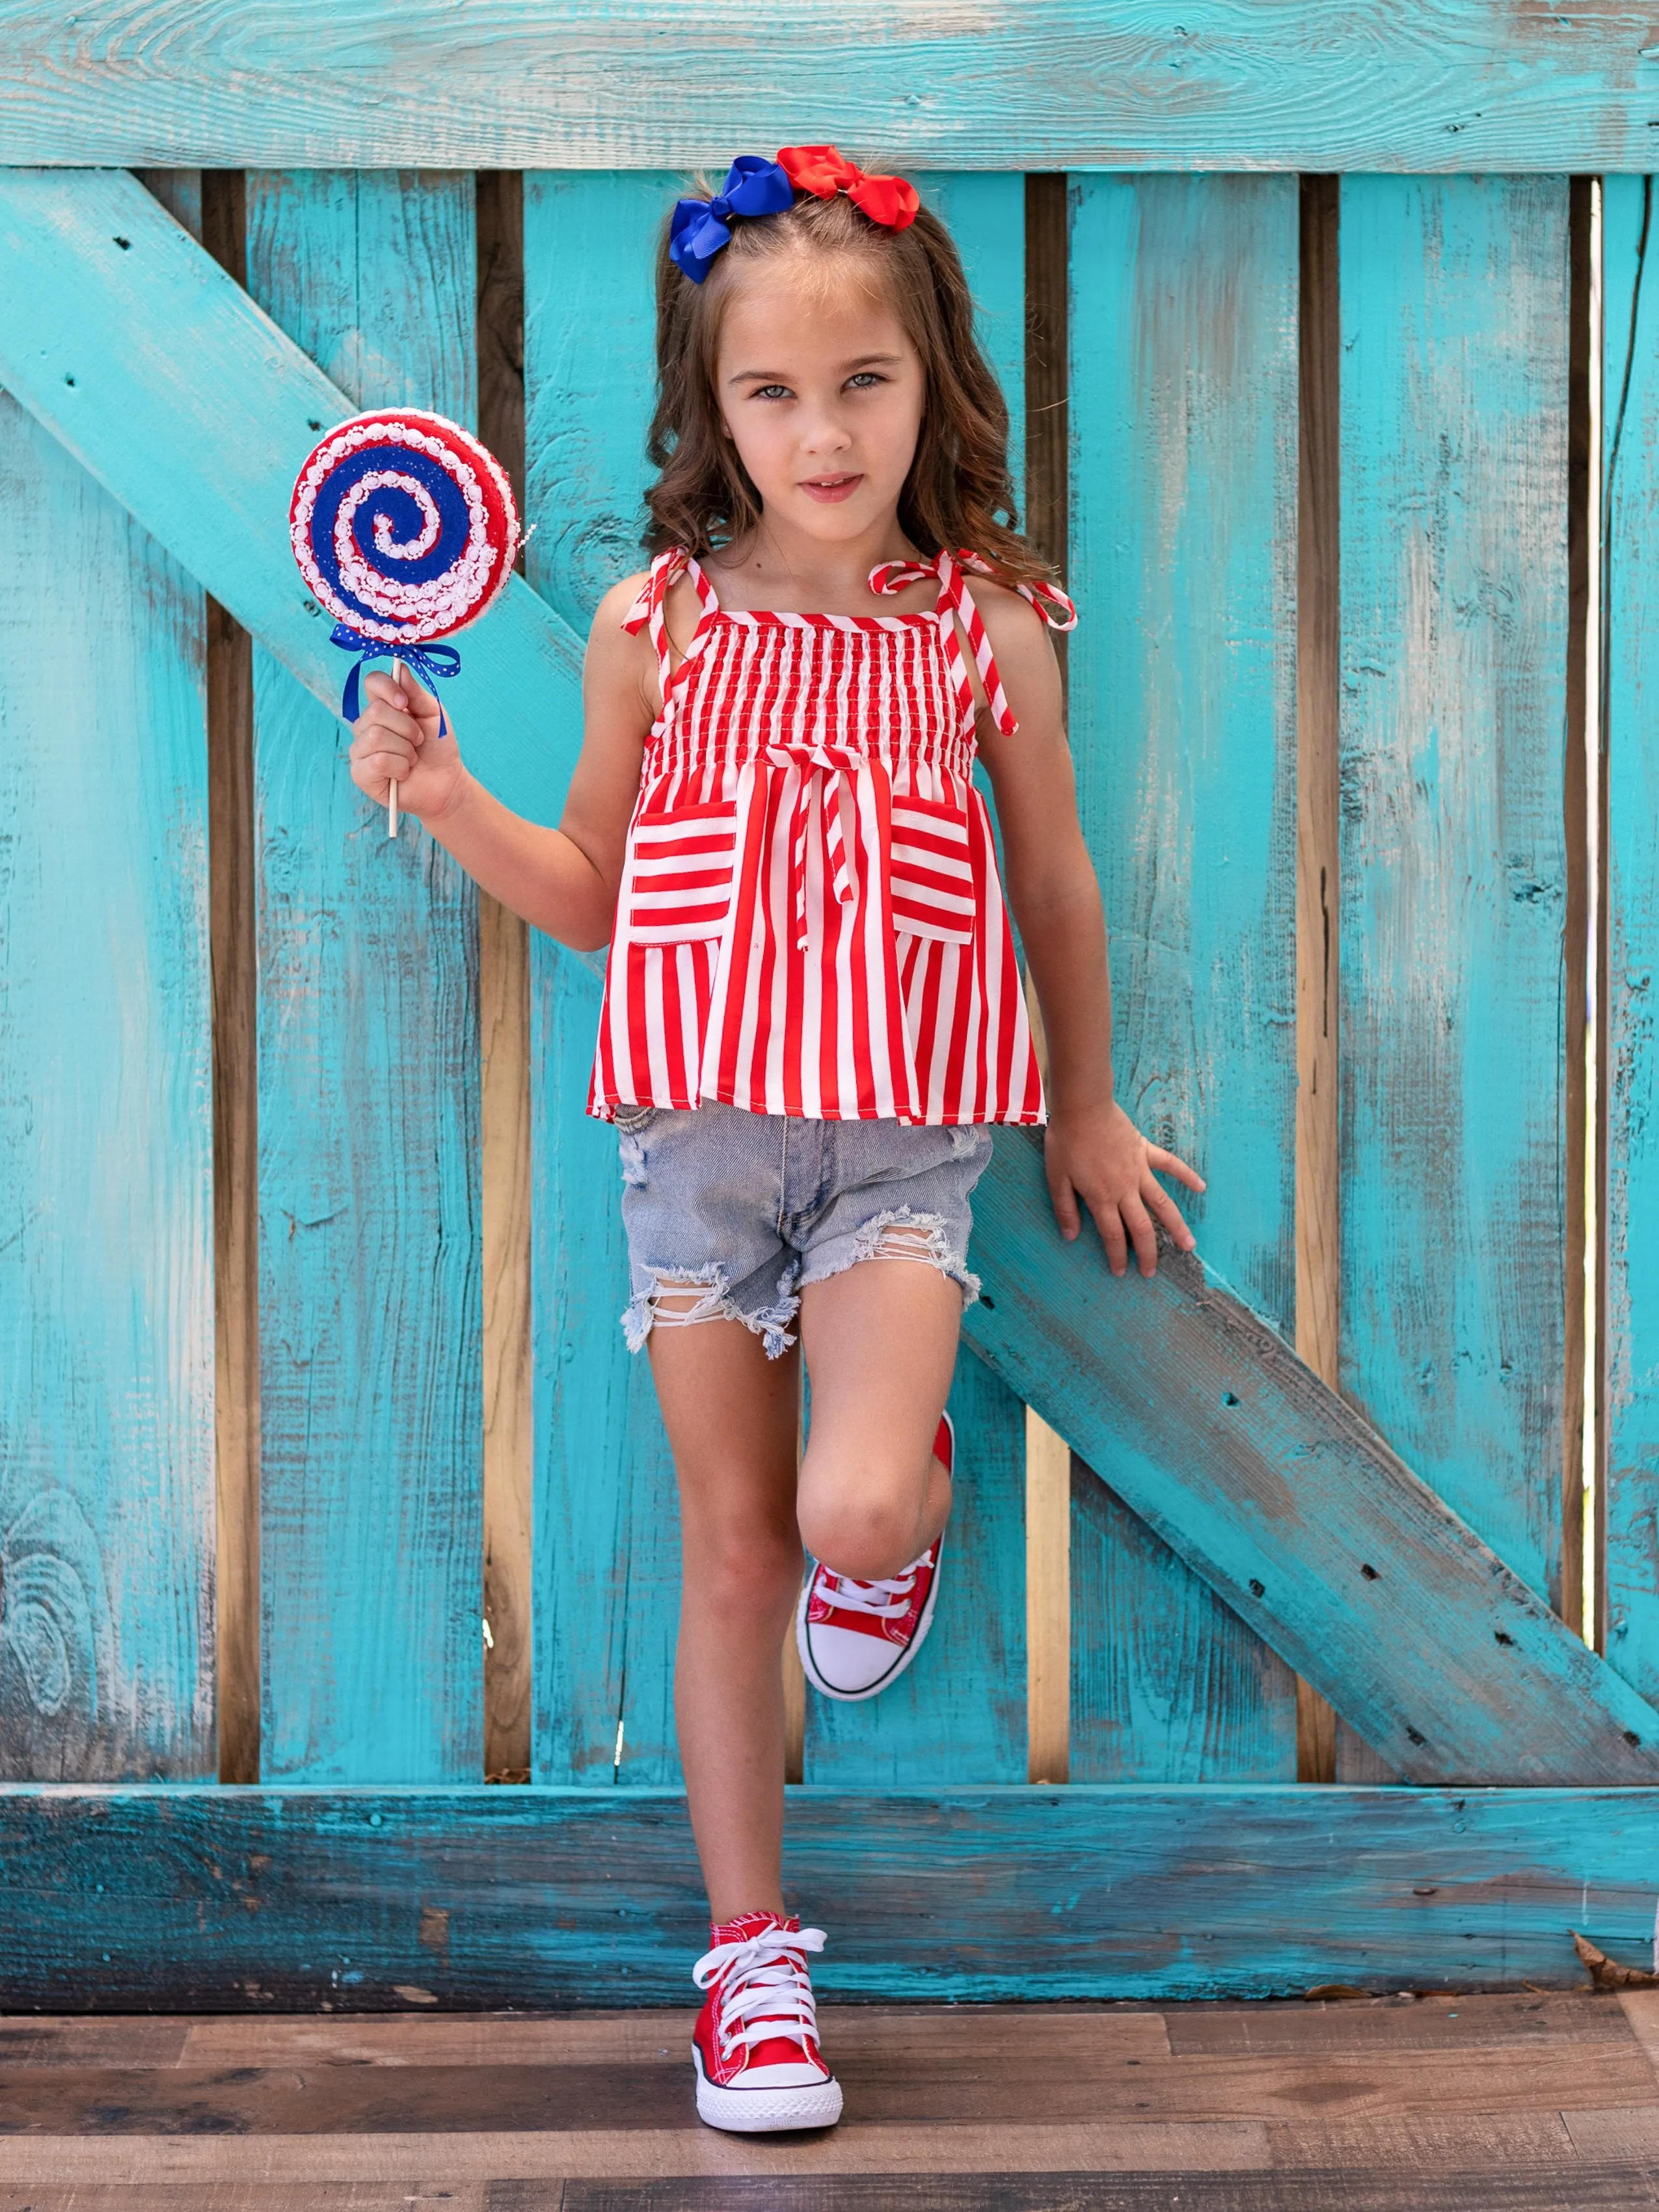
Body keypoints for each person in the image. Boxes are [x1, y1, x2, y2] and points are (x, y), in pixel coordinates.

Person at [348, 144, 1204, 2135]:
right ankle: (749, 1970)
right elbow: (591, 895)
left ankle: (895, 1485)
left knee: (832, 1519)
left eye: (862, 386)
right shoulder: (654, 627)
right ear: (708, 401)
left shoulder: (983, 624)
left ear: (934, 384)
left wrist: (1078, 1097)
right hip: (695, 1159)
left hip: (902, 1152)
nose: (821, 434)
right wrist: (447, 795)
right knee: (733, 1556)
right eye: (771, 393)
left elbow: (1055, 884)